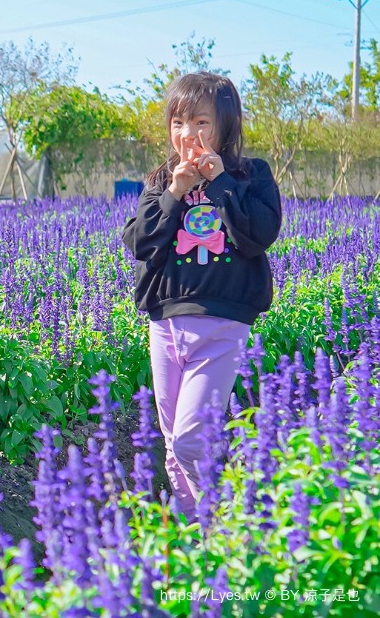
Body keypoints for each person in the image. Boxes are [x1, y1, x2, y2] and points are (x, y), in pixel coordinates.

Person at [121, 71, 282, 521]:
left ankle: (233, 518)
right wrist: (175, 190)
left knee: (194, 438)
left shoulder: (251, 175)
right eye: (178, 123)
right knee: (173, 443)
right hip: (165, 323)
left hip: (220, 322)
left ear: (226, 125)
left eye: (201, 123)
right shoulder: (159, 180)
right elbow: (140, 243)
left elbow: (260, 234)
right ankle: (201, 541)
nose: (187, 134)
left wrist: (219, 182)